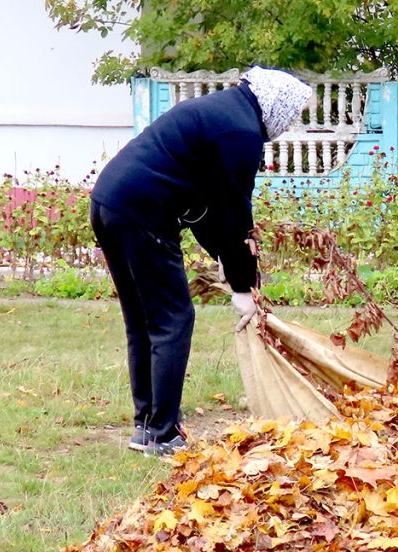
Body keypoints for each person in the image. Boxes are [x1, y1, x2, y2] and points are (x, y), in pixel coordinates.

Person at [90, 66, 312, 457]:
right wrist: (245, 287)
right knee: (173, 319)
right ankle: (163, 434)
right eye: (291, 115)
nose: (289, 125)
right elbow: (233, 215)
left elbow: (206, 213)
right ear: (277, 104)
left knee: (144, 320)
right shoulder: (242, 133)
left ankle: (146, 427)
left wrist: (231, 269)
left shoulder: (224, 112)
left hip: (110, 200)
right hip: (142, 211)